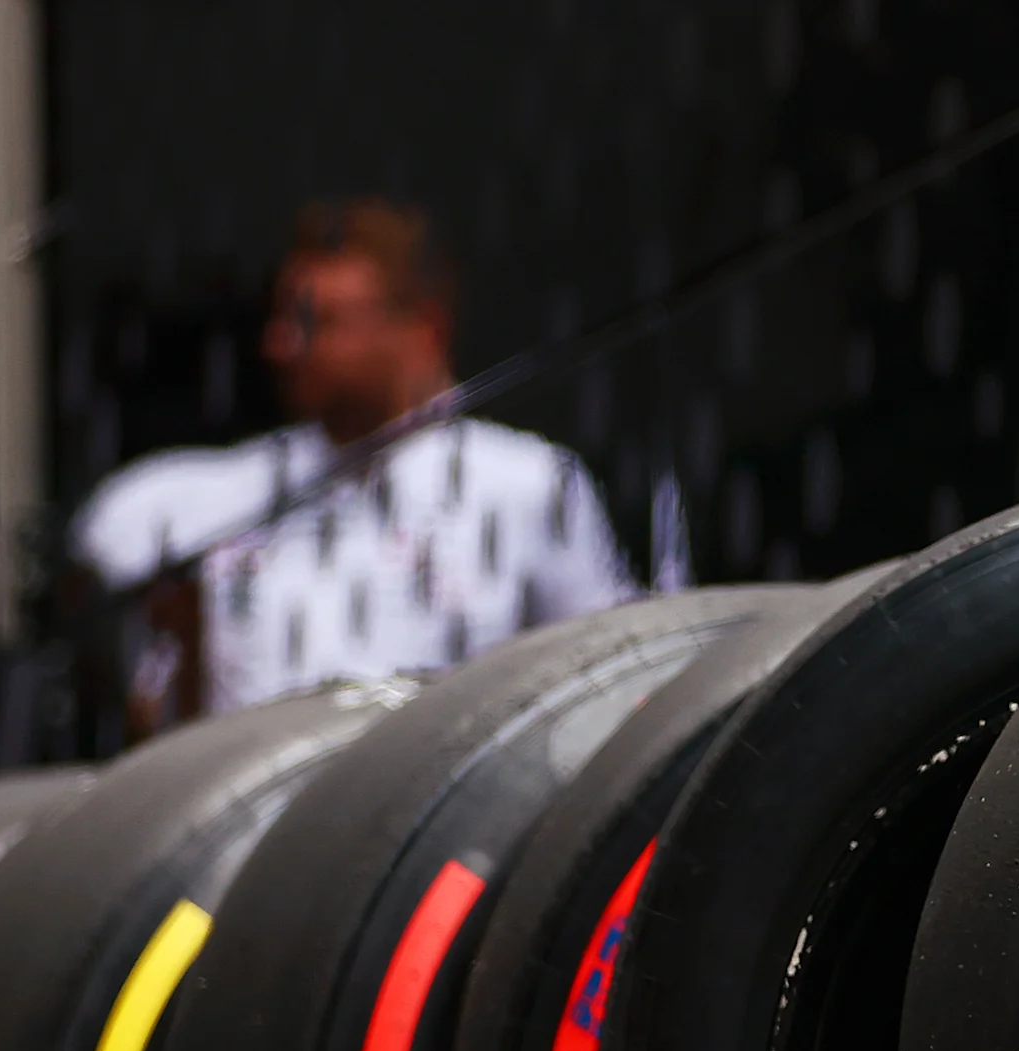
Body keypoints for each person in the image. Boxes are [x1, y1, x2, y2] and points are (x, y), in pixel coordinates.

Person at [69, 200, 634, 734]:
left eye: (317, 322)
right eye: (282, 317)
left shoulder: (529, 485)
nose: (280, 344)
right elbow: (152, 723)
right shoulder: (219, 496)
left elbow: (608, 687)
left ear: (423, 329)